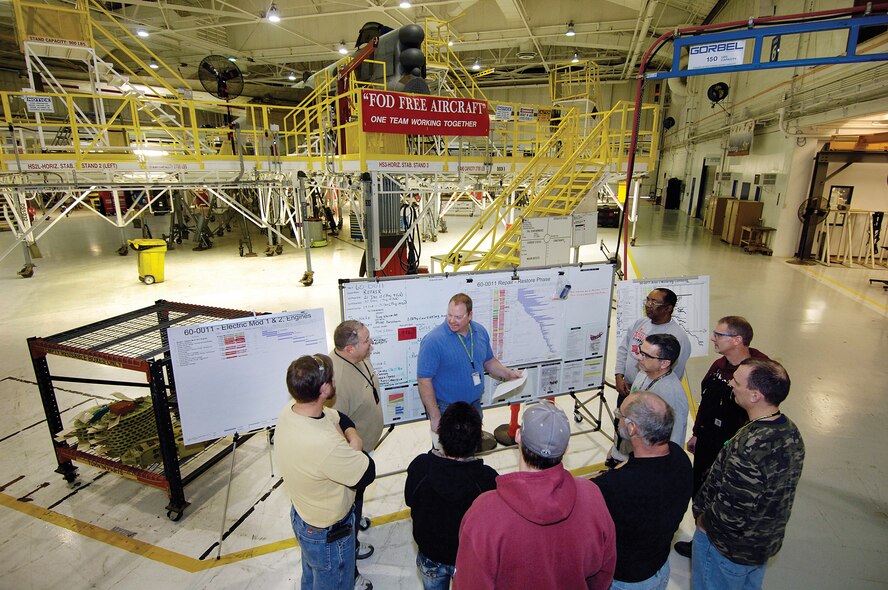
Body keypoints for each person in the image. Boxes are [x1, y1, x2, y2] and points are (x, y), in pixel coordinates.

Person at [453, 400, 616, 590]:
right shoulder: (592, 496)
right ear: (566, 449)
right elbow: (603, 572)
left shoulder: (484, 513)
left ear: (518, 436)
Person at [691, 359, 805, 590]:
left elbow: (731, 512)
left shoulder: (751, 446)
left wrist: (703, 522)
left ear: (755, 396)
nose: (731, 383)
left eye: (737, 382)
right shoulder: (790, 431)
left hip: (727, 549)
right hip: (761, 544)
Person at [274, 354, 377, 590]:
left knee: (311, 578)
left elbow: (339, 416)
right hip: (330, 535)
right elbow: (367, 473)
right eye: (331, 378)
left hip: (304, 517)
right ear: (324, 388)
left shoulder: (290, 410)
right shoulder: (325, 445)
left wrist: (347, 435)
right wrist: (355, 441)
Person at [674, 316, 769, 559]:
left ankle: (716, 548)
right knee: (701, 490)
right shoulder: (718, 366)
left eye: (719, 334)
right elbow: (705, 401)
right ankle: (701, 540)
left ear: (737, 340)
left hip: (734, 447)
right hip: (708, 440)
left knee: (724, 497)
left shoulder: (759, 372)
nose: (712, 338)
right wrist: (696, 433)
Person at [592, 392, 693, 590]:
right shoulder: (680, 457)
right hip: (659, 568)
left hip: (623, 581)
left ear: (632, 428)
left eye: (620, 415)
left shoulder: (615, 486)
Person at [405, 402, 498, 590]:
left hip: (430, 555)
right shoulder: (487, 480)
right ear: (477, 442)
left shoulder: (420, 467)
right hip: (467, 559)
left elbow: (410, 500)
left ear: (441, 436)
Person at [416, 293, 522, 435]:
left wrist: (508, 373)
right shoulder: (433, 341)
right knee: (449, 455)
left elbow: (489, 361)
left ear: (470, 315)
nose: (452, 320)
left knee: (472, 450)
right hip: (447, 409)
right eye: (450, 315)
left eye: (458, 317)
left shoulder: (480, 332)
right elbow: (424, 380)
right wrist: (435, 417)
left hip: (474, 406)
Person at [328, 320, 384, 570]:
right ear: (349, 349)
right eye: (366, 340)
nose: (371, 343)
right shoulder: (336, 380)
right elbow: (336, 429)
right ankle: (351, 542)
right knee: (353, 496)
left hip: (367, 443)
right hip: (354, 454)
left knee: (357, 496)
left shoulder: (358, 357)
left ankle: (355, 517)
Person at [610, 333, 688, 464]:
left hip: (645, 463)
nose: (639, 357)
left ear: (664, 363)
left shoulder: (672, 395)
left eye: (646, 355)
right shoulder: (643, 374)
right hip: (627, 453)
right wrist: (616, 450)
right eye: (641, 351)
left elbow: (673, 442)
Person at [614, 288, 692, 397]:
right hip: (627, 388)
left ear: (668, 308)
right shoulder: (640, 323)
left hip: (650, 398)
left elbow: (675, 373)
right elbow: (624, 349)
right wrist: (618, 376)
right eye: (648, 300)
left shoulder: (678, 338)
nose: (648, 305)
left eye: (654, 302)